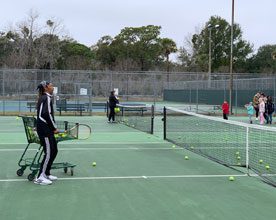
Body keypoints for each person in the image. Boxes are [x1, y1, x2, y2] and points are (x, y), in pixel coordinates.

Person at [35, 81, 59, 185]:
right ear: (46, 88)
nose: (53, 87)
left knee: (54, 150)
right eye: (51, 85)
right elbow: (46, 114)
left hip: (46, 129)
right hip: (45, 130)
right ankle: (40, 177)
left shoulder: (44, 97)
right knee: (49, 152)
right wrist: (54, 128)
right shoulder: (46, 98)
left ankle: (46, 173)